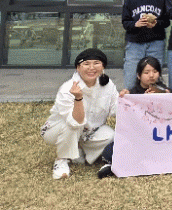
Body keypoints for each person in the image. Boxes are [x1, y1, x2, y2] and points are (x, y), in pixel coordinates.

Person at [41, 49, 118, 179]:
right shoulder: (67, 88)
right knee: (73, 125)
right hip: (57, 130)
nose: (91, 68)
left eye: (96, 63)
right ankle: (61, 159)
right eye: (86, 64)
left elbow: (115, 110)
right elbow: (75, 121)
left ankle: (79, 149)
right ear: (78, 68)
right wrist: (78, 98)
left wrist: (125, 99)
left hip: (89, 131)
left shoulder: (108, 85)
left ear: (103, 66)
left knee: (111, 136)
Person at [97, 56, 170, 179]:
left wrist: (165, 96)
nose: (151, 75)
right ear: (138, 75)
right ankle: (113, 165)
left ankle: (125, 164)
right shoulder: (131, 93)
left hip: (158, 136)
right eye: (146, 72)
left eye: (155, 71)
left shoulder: (165, 91)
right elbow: (125, 119)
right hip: (137, 137)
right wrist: (123, 99)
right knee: (109, 150)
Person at [121, 0, 170, 91]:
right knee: (131, 75)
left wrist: (156, 23)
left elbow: (166, 21)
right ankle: (131, 100)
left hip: (156, 43)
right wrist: (135, 24)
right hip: (135, 43)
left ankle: (153, 100)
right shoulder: (131, 0)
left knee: (154, 77)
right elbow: (125, 22)